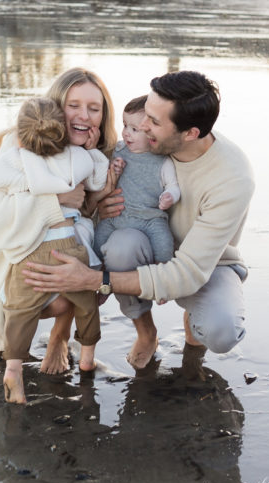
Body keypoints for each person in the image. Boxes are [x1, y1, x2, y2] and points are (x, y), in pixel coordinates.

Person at [21, 70, 255, 370]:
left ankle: (193, 327)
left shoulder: (231, 178)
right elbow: (83, 201)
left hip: (205, 263)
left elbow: (189, 272)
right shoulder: (138, 146)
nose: (142, 126)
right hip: (139, 237)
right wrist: (98, 204)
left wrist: (95, 280)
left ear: (190, 134)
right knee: (121, 246)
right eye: (146, 115)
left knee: (220, 331)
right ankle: (147, 333)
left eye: (154, 122)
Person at [0, 68, 119, 391]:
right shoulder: (19, 148)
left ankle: (60, 336)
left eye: (94, 108)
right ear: (55, 108)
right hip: (10, 260)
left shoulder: (90, 154)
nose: (84, 116)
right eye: (74, 105)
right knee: (64, 289)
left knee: (95, 274)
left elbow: (77, 217)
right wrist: (55, 200)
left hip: (55, 247)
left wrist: (95, 201)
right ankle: (45, 337)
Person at [94, 95, 180, 270]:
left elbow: (173, 186)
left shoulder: (162, 161)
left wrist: (169, 196)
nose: (126, 133)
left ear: (151, 132)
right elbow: (100, 176)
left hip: (149, 217)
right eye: (125, 125)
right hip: (116, 217)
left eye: (134, 129)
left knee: (164, 244)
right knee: (96, 243)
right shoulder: (118, 150)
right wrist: (113, 170)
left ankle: (161, 278)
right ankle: (98, 278)